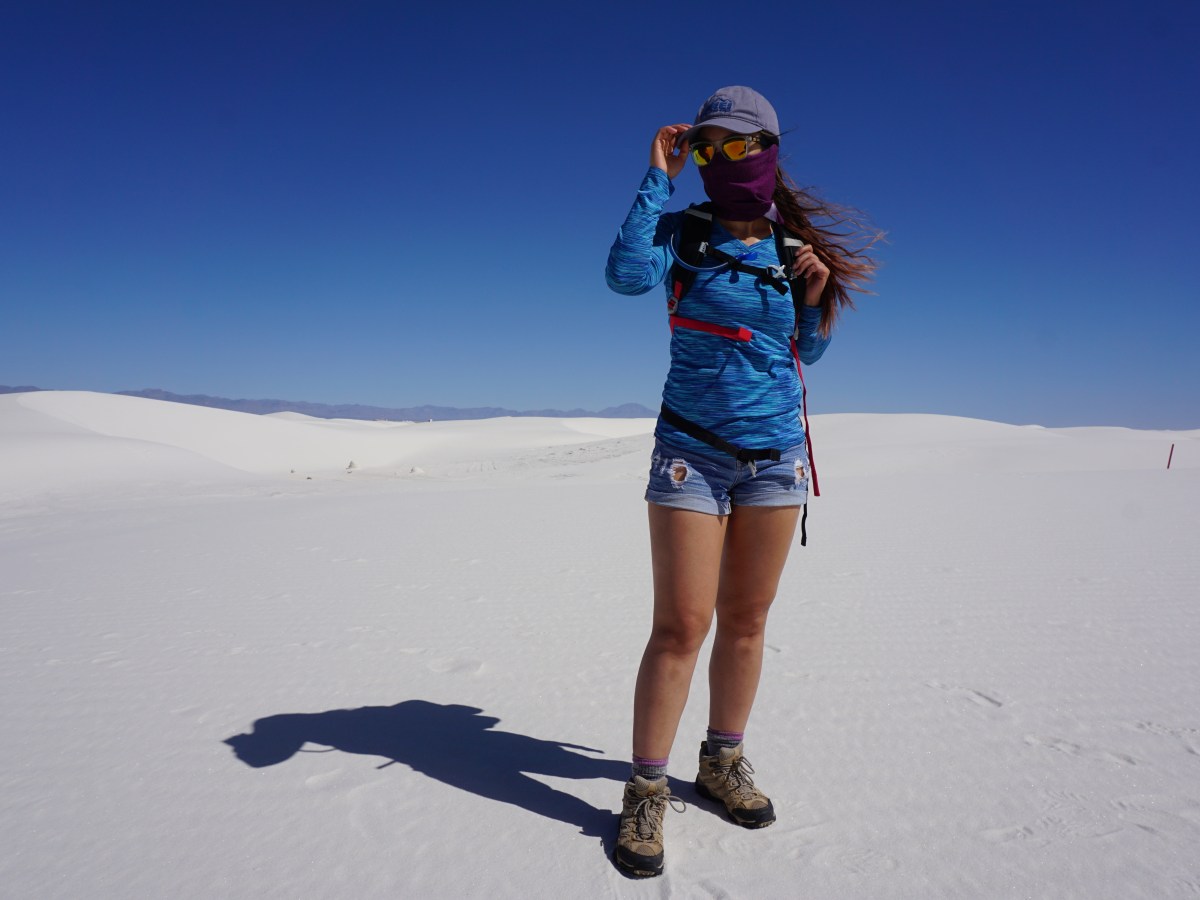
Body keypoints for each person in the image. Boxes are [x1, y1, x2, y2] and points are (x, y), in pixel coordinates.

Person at [604, 86, 881, 877]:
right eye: (709, 146)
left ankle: (721, 763)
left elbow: (805, 359)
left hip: (776, 459)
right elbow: (625, 277)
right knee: (680, 626)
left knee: (748, 620)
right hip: (691, 451)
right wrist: (657, 173)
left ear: (769, 150)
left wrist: (818, 293)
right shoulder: (679, 233)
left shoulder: (792, 251)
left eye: (740, 145)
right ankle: (646, 789)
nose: (726, 160)